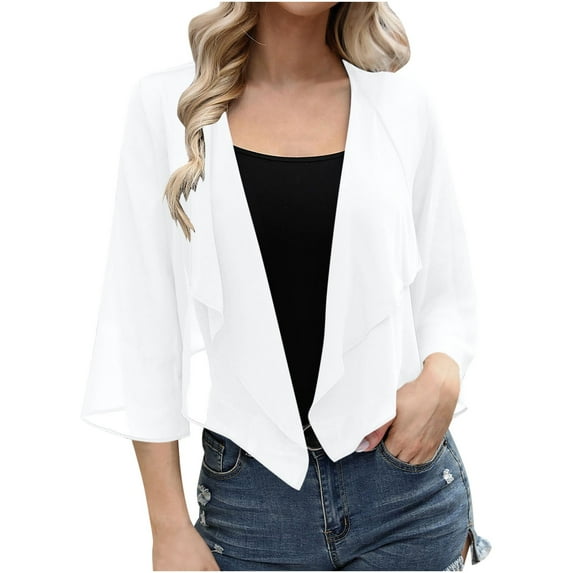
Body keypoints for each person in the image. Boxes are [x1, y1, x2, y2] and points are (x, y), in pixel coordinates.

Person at [81, 2, 492, 570]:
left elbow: (446, 289)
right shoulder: (171, 107)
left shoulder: (402, 104)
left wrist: (442, 377)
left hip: (403, 493)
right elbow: (143, 321)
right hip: (251, 503)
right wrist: (167, 524)